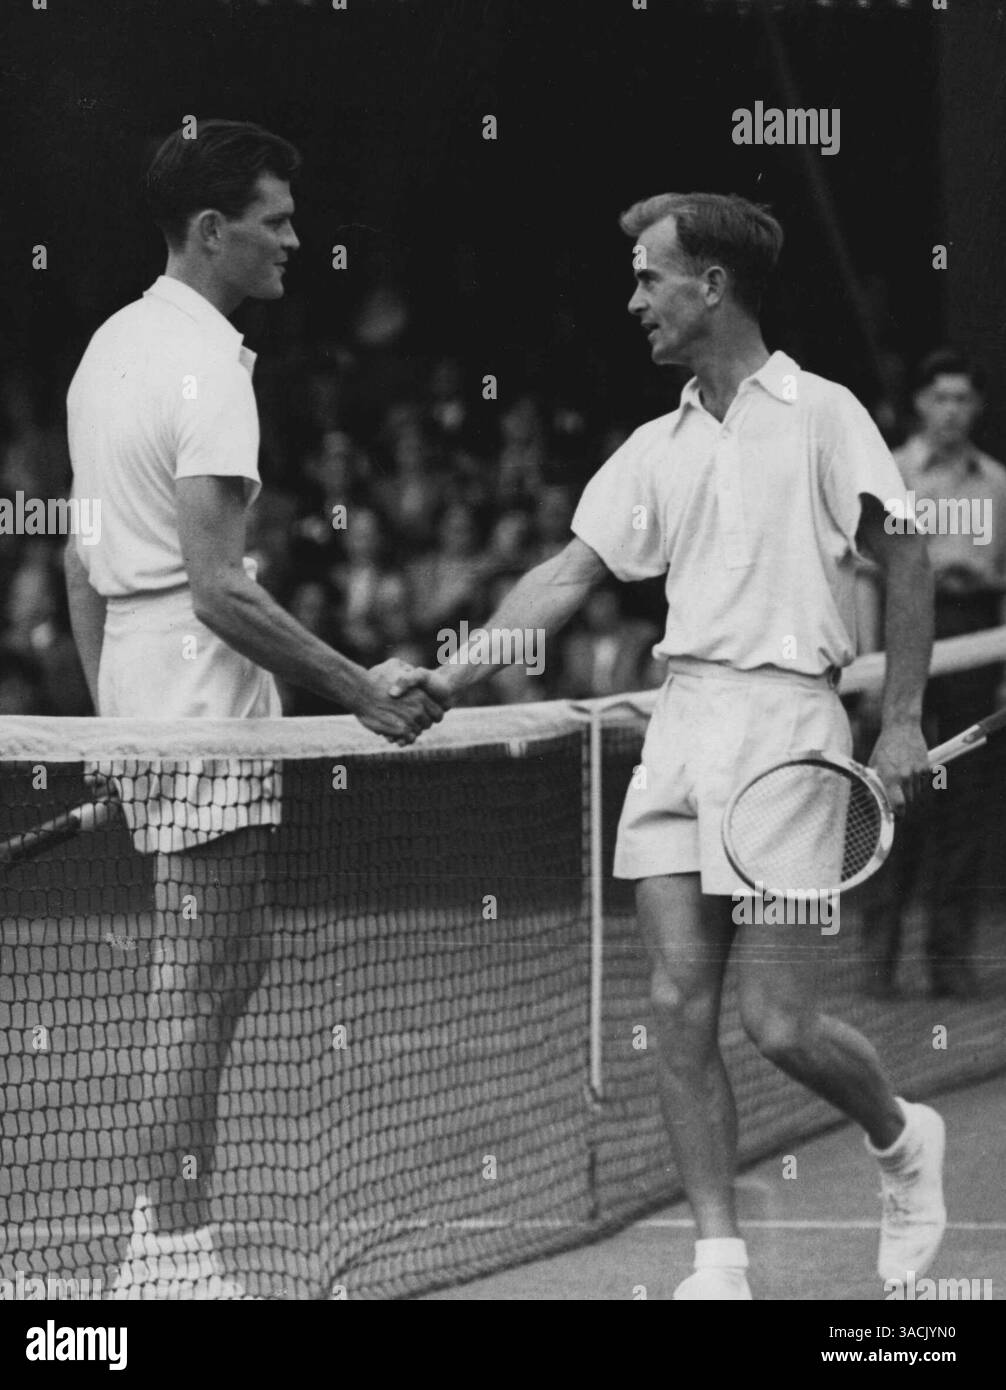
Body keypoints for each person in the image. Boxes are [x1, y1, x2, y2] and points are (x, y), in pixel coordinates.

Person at [396, 192, 945, 1300]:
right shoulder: (654, 444)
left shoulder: (825, 413)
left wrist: (899, 720)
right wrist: (449, 676)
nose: (633, 297)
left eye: (650, 275)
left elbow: (909, 552)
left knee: (778, 1022)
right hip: (681, 724)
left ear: (712, 285)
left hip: (793, 732)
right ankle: (717, 1263)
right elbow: (565, 576)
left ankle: (899, 1132)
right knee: (671, 1007)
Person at [64, 119, 445, 1300]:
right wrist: (362, 687)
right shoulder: (211, 367)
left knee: (227, 962)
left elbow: (84, 569)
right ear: (211, 231)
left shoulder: (106, 351)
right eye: (276, 221)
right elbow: (223, 589)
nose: (296, 239)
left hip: (139, 674)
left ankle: (160, 1242)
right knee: (200, 975)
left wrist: (111, 728)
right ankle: (168, 1257)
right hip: (197, 676)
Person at [859, 349, 1006, 998]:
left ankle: (949, 962)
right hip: (909, 628)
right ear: (920, 403)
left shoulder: (998, 483)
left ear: (976, 408)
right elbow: (867, 575)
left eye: (963, 398)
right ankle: (879, 958)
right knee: (898, 794)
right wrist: (870, 669)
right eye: (940, 396)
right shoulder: (890, 470)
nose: (951, 409)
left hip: (978, 632)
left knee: (967, 800)